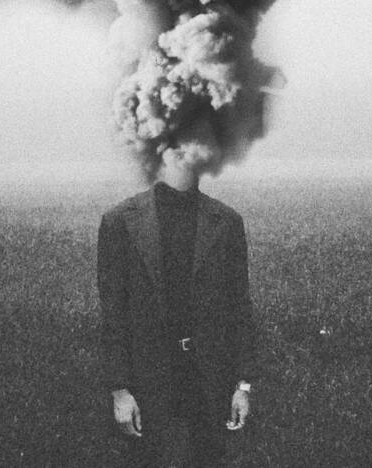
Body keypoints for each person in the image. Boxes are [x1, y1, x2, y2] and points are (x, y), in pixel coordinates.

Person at [97, 155, 257, 467]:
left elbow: (239, 308)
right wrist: (120, 390)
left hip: (208, 377)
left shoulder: (226, 221)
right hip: (147, 377)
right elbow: (113, 315)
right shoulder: (119, 222)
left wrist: (243, 386)